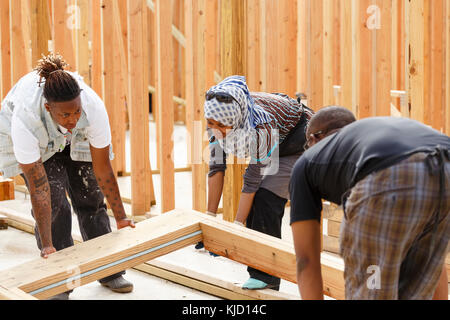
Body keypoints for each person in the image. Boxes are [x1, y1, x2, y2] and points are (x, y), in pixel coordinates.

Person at [0, 53, 135, 300]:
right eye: (66, 115)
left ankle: (109, 270)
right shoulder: (26, 120)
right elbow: (40, 191)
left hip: (75, 140)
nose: (73, 119)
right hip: (38, 141)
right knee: (55, 203)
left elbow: (103, 168)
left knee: (90, 196)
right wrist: (48, 244)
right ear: (49, 108)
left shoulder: (92, 108)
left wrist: (122, 217)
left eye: (76, 112)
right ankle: (58, 280)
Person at [289, 106, 449, 300]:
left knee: (372, 291)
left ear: (315, 138)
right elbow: (435, 268)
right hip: (445, 167)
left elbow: (306, 260)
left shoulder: (307, 162)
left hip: (391, 173)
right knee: (419, 284)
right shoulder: (367, 137)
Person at [202, 75, 314, 291]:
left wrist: (235, 228)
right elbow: (216, 169)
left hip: (298, 143)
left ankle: (268, 276)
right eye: (211, 124)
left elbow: (252, 181)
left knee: (265, 198)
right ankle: (259, 270)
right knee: (254, 203)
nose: (216, 130)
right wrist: (209, 222)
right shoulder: (218, 115)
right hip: (278, 140)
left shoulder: (262, 126)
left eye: (222, 126)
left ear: (235, 119)